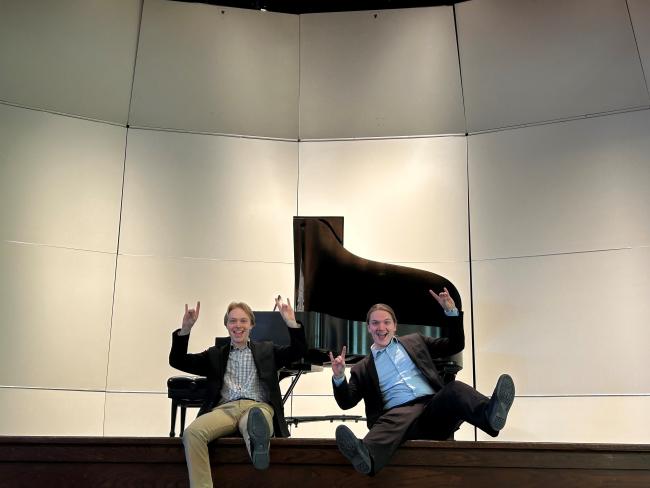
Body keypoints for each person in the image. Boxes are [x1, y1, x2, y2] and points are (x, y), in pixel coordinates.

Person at [329, 288, 515, 476]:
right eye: (375, 323)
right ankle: (365, 456)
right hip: (399, 421)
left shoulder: (415, 341)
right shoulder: (361, 368)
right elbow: (346, 402)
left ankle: (490, 414)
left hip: (434, 412)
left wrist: (451, 313)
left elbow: (454, 345)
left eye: (386, 322)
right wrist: (338, 377)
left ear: (395, 326)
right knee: (393, 418)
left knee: (454, 389)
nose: (381, 328)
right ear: (368, 327)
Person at [169, 296, 306, 488]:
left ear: (251, 325)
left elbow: (298, 351)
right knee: (192, 433)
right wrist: (186, 329)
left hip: (256, 406)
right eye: (232, 321)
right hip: (224, 410)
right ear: (226, 325)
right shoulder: (215, 354)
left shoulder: (267, 350)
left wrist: (291, 323)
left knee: (255, 422)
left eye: (243, 321)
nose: (238, 325)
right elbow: (178, 361)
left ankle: (258, 445)